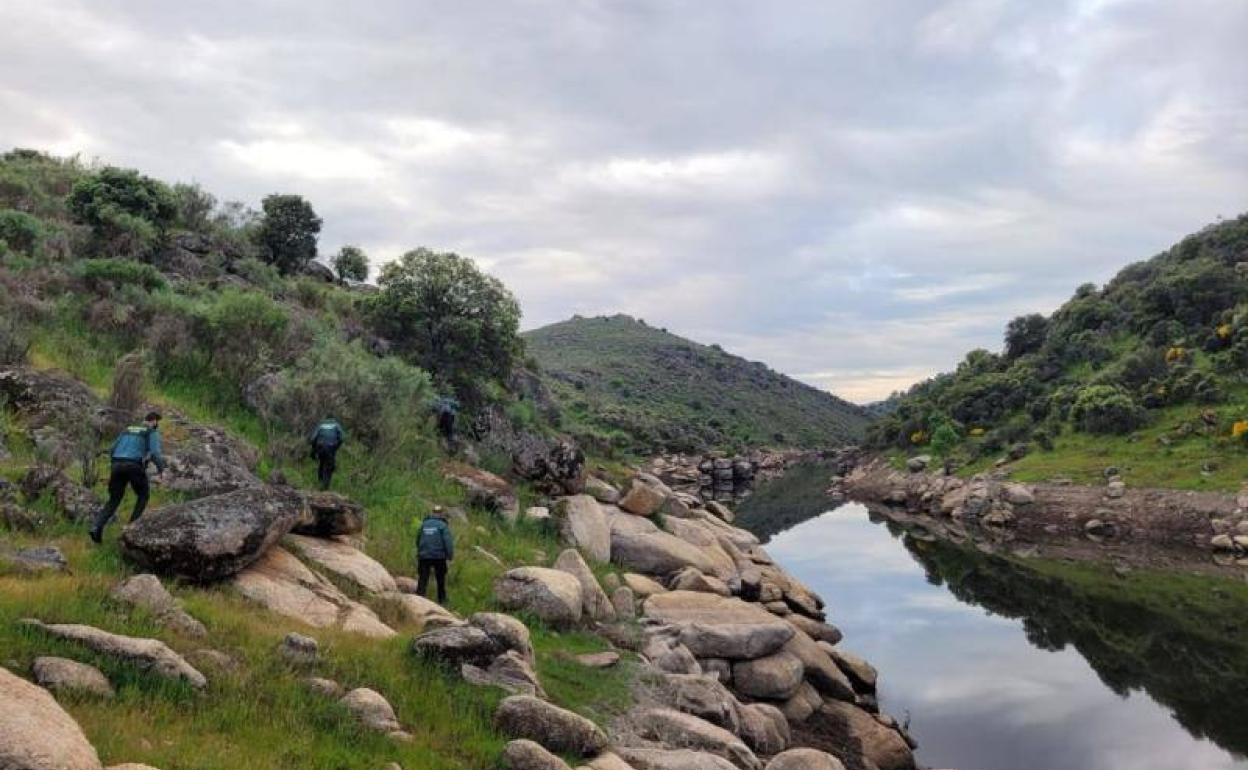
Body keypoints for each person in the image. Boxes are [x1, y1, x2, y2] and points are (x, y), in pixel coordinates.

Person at [89, 411, 166, 543]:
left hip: (117, 465)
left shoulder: (127, 430)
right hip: (134, 466)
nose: (157, 424)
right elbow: (155, 453)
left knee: (114, 499)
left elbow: (112, 449)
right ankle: (131, 529)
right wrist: (161, 470)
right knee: (143, 495)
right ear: (153, 421)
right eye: (157, 422)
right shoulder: (150, 432)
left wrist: (114, 465)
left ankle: (96, 526)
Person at [415, 505, 454, 605]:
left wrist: (420, 551)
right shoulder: (443, 526)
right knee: (440, 579)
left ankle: (419, 599)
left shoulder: (424, 524)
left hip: (424, 556)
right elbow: (448, 542)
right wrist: (449, 555)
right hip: (439, 557)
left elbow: (418, 540)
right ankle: (442, 600)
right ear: (441, 514)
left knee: (423, 578)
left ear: (432, 513)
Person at [309, 416, 345, 490]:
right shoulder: (336, 425)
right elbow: (342, 438)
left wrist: (314, 449)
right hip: (331, 447)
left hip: (320, 447)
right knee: (329, 466)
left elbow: (312, 439)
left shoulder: (321, 425)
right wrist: (337, 446)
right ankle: (326, 485)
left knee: (322, 463)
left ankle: (320, 482)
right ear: (333, 419)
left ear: (325, 419)